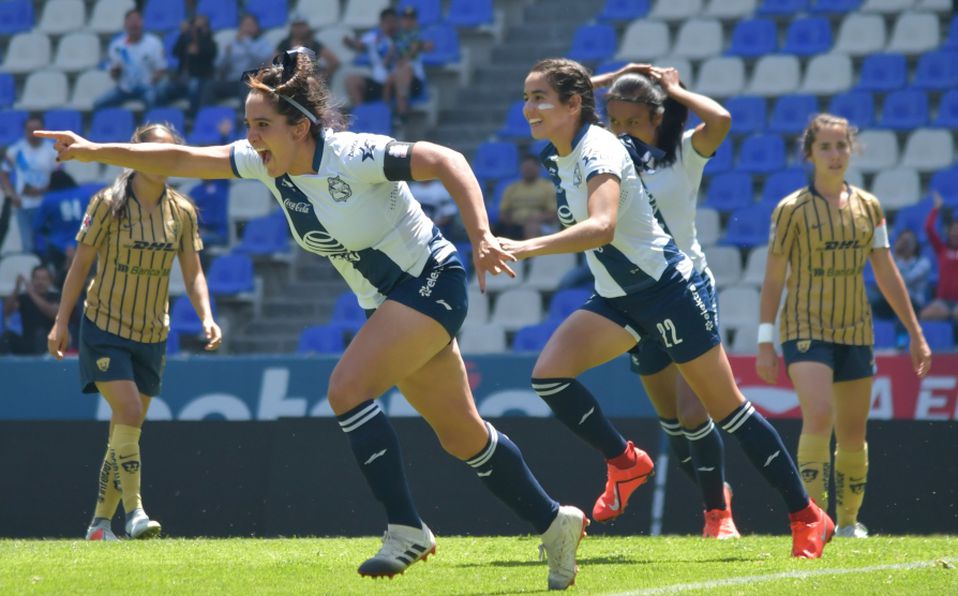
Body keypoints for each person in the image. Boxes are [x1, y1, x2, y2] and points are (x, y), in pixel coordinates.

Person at [37, 48, 586, 590]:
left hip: (431, 281)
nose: (251, 136)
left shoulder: (354, 154)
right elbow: (182, 160)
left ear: (299, 127)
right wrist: (93, 151)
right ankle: (554, 520)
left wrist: (482, 234)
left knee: (346, 390)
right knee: (461, 434)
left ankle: (404, 527)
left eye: (262, 125)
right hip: (387, 299)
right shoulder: (265, 163)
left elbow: (448, 161)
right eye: (248, 124)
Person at [498, 57, 832, 558]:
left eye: (539, 98)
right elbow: (574, 91)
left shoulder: (598, 149)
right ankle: (626, 462)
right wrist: (611, 75)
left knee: (728, 411)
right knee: (549, 375)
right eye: (525, 97)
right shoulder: (561, 149)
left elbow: (602, 226)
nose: (529, 109)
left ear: (572, 106)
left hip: (666, 291)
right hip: (619, 295)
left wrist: (524, 248)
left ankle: (807, 515)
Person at [756, 113, 932, 539]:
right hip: (804, 327)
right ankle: (814, 522)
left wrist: (915, 331)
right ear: (810, 154)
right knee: (818, 414)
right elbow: (775, 276)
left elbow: (887, 271)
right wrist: (765, 339)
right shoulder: (791, 210)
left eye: (841, 146)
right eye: (825, 147)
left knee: (853, 432)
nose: (835, 155)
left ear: (851, 150)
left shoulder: (869, 207)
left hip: (856, 329)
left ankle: (850, 522)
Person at [43, 123, 223, 542]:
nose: (163, 159)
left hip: (152, 332)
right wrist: (60, 320)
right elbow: (80, 264)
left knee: (124, 430)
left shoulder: (183, 211)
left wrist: (206, 317)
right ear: (136, 155)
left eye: (170, 151)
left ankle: (99, 525)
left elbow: (193, 272)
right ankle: (135, 512)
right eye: (154, 151)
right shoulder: (107, 204)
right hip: (104, 326)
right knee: (128, 412)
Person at [590, 64, 738, 538]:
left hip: (687, 287)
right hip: (637, 298)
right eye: (614, 122)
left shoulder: (683, 155)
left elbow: (721, 121)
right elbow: (557, 102)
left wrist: (676, 90)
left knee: (695, 413)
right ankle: (718, 495)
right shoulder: (604, 159)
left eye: (633, 122)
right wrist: (611, 76)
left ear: (657, 117)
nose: (621, 131)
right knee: (672, 422)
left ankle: (719, 516)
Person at [0, 114, 60, 253]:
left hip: (45, 204)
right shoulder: (15, 150)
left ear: (43, 130)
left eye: (36, 129)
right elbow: (3, 174)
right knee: (27, 245)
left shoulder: (52, 151)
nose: (33, 134)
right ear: (25, 130)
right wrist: (11, 194)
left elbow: (59, 176)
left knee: (48, 245)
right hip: (23, 204)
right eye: (30, 130)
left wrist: (46, 189)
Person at [94, 8, 167, 111]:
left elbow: (161, 69)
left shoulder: (154, 43)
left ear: (142, 23)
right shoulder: (117, 45)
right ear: (125, 24)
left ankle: (150, 126)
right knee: (98, 104)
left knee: (153, 101)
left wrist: (152, 81)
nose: (134, 24)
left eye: (137, 21)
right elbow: (113, 75)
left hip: (146, 88)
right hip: (124, 89)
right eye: (131, 21)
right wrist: (115, 72)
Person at [208, 14, 274, 106]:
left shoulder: (263, 43)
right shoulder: (232, 43)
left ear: (257, 27)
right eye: (244, 25)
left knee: (246, 84)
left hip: (251, 82)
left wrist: (246, 42)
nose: (247, 28)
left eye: (250, 25)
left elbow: (261, 60)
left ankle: (242, 117)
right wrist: (226, 55)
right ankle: (207, 115)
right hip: (232, 82)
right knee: (209, 85)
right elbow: (219, 67)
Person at [159, 14, 217, 117]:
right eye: (194, 26)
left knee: (193, 87)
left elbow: (210, 53)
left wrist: (198, 46)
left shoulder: (209, 42)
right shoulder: (185, 39)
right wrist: (183, 34)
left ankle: (192, 118)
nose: (195, 29)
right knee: (162, 90)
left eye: (199, 27)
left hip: (200, 79)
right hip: (181, 78)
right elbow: (175, 52)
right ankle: (165, 116)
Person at [870, 229, 931, 321]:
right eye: (902, 241)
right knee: (868, 293)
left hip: (913, 302)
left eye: (907, 242)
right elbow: (882, 277)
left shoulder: (923, 263)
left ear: (915, 245)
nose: (904, 244)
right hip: (890, 300)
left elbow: (905, 281)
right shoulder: (893, 259)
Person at [494, 155, 557, 241]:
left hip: (541, 225)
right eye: (525, 168)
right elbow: (502, 212)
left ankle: (530, 254)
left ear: (538, 168)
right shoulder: (512, 188)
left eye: (530, 168)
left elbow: (553, 214)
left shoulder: (548, 187)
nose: (527, 170)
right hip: (514, 224)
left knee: (531, 226)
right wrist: (511, 221)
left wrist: (535, 218)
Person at [0, 265, 59, 355]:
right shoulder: (25, 298)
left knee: (40, 334)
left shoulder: (55, 296)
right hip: (27, 341)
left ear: (49, 281)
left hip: (48, 342)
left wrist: (31, 293)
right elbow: (6, 311)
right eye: (37, 278)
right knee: (6, 336)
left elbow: (52, 312)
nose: (40, 282)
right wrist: (16, 288)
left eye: (43, 279)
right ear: (32, 280)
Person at [919, 192, 958, 324]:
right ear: (948, 233)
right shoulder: (941, 249)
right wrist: (936, 208)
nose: (955, 234)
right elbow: (929, 228)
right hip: (943, 302)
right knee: (924, 315)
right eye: (953, 230)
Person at [276, 12, 340, 82]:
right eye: (296, 26)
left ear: (307, 26)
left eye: (302, 26)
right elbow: (273, 62)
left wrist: (321, 78)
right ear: (292, 27)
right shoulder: (284, 44)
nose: (299, 29)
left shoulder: (315, 45)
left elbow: (334, 62)